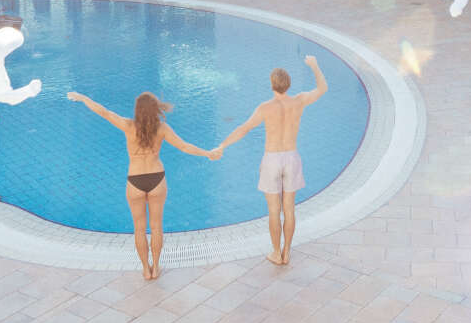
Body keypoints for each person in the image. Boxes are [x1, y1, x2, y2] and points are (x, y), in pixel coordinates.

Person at [67, 90, 212, 279]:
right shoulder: (162, 129)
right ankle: (157, 267)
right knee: (157, 227)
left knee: (139, 229)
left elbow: (104, 112)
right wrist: (208, 153)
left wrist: (84, 98)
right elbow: (184, 146)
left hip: (135, 180)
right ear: (155, 110)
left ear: (137, 110)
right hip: (156, 179)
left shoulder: (128, 126)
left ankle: (146, 269)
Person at [211, 55, 327, 265]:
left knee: (274, 210)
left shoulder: (265, 108)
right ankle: (287, 251)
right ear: (288, 84)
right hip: (291, 157)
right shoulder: (299, 101)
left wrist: (222, 145)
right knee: (289, 208)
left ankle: (276, 252)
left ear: (272, 84)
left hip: (272, 159)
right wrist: (314, 65)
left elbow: (243, 129)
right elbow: (322, 88)